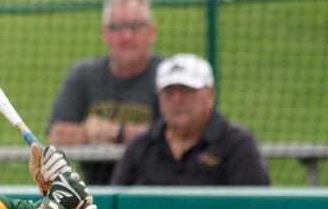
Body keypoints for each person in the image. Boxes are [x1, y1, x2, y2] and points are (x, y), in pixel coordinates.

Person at [47, 0, 163, 185]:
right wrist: (88, 132)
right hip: (96, 193)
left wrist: (114, 132)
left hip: (156, 189)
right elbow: (57, 135)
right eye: (117, 27)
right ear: (105, 33)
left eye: (135, 27)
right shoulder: (84, 75)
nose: (126, 36)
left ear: (151, 32)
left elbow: (174, 138)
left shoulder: (167, 77)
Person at [110, 54, 270, 185]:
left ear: (210, 95)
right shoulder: (141, 146)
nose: (177, 99)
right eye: (168, 91)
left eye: (187, 90)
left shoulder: (237, 145)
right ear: (159, 97)